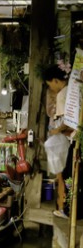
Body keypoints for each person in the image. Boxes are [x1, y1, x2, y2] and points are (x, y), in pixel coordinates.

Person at [42, 64, 72, 218]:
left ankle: (65, 209)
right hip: (71, 140)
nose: (52, 89)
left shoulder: (62, 95)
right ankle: (66, 208)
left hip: (69, 140)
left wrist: (56, 130)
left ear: (55, 80)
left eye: (50, 85)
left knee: (64, 176)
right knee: (66, 176)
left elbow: (67, 121)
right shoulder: (73, 90)